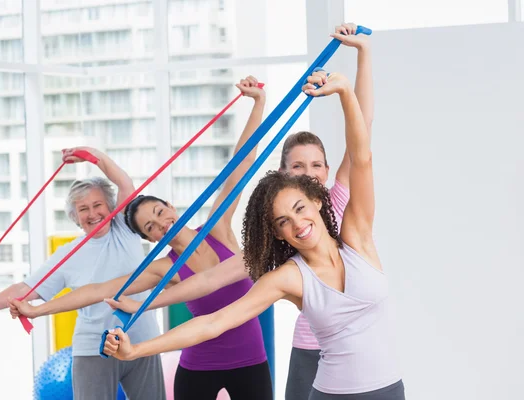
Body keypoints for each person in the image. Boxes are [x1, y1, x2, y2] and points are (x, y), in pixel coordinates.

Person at [104, 22, 374, 399]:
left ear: (327, 171)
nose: (309, 174)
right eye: (298, 167)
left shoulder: (344, 204)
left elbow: (361, 134)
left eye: (317, 166)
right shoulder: (281, 235)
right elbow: (209, 287)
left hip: (361, 353)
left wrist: (362, 56)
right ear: (284, 175)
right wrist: (137, 308)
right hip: (310, 344)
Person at [9, 76, 274, 400]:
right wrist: (38, 309)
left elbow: (241, 164)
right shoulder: (164, 269)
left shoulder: (219, 230)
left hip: (250, 362)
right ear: (151, 239)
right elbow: (98, 290)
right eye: (150, 227)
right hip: (198, 367)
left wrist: (258, 102)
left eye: (160, 213)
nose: (161, 224)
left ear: (171, 208)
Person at [0, 147, 166, 400]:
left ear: (111, 206)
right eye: (83, 209)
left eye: (97, 205)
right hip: (94, 348)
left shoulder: (124, 229)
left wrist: (93, 155)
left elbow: (124, 182)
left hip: (142, 340)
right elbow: (23, 290)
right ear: (75, 216)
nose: (92, 214)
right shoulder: (68, 254)